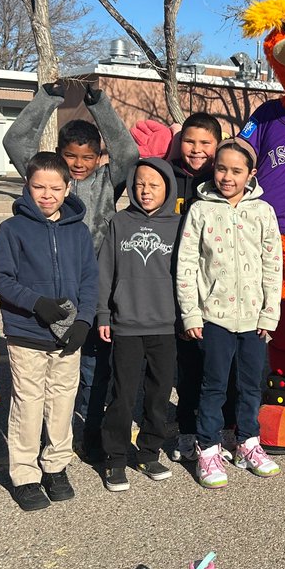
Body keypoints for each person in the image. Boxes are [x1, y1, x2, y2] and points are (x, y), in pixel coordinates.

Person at [2, 82, 140, 461]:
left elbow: (128, 152)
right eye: (71, 156)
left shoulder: (107, 181)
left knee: (94, 365)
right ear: (59, 157)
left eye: (88, 156)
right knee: (52, 371)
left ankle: (90, 429)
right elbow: (16, 141)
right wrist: (47, 98)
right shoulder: (51, 181)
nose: (79, 164)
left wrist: (99, 103)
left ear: (99, 157)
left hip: (95, 288)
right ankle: (49, 437)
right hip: (50, 289)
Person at [0, 152, 98, 511]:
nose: (47, 194)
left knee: (63, 400)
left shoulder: (78, 231)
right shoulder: (13, 230)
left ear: (68, 188)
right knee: (29, 403)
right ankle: (24, 474)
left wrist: (84, 320)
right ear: (27, 187)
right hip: (27, 333)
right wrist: (36, 303)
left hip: (68, 335)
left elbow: (89, 280)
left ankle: (55, 465)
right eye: (39, 186)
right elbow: (0, 278)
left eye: (55, 187)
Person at [176, 138, 283, 489]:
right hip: (214, 316)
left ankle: (247, 441)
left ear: (250, 174)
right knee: (214, 386)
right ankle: (208, 446)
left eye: (237, 171)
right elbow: (187, 264)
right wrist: (191, 313)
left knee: (251, 384)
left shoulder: (262, 211)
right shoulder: (201, 210)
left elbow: (273, 265)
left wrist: (270, 313)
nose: (227, 176)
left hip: (254, 319)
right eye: (221, 168)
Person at [97, 158, 179, 492]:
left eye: (154, 185)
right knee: (123, 395)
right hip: (127, 324)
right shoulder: (120, 221)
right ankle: (115, 458)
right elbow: (105, 271)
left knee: (159, 395)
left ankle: (148, 451)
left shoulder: (179, 224)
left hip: (166, 325)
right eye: (140, 184)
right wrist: (104, 313)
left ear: (168, 189)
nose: (145, 191)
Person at [167, 112, 226, 463]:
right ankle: (187, 429)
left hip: (214, 291)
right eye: (190, 141)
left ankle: (224, 429)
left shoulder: (222, 181)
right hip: (173, 287)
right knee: (186, 366)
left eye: (206, 143)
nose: (197, 149)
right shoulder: (165, 176)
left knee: (219, 368)